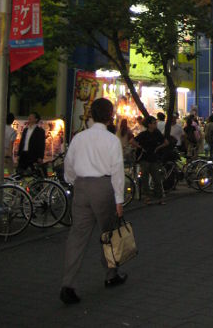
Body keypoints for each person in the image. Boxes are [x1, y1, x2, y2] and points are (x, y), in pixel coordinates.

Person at [60, 98, 126, 305]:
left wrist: (73, 181)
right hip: (102, 188)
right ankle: (111, 274)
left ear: (92, 115)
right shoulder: (111, 140)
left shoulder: (79, 138)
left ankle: (68, 284)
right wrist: (119, 199)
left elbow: (68, 165)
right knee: (108, 233)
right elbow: (117, 172)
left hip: (81, 187)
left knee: (77, 236)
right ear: (110, 116)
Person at [133, 116, 169, 204]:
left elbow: (166, 142)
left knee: (156, 178)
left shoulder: (157, 133)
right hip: (145, 158)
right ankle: (147, 197)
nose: (155, 124)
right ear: (149, 125)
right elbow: (132, 141)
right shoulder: (143, 134)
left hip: (153, 158)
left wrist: (157, 148)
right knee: (145, 178)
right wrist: (140, 147)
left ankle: (158, 196)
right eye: (154, 123)